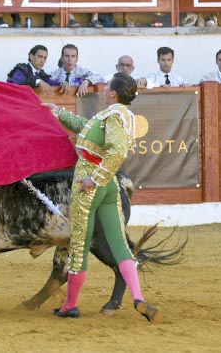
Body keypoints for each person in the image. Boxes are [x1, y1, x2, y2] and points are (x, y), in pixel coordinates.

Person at [43, 73, 162, 322]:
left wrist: (93, 179)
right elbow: (87, 129)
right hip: (108, 187)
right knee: (119, 244)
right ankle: (138, 298)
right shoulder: (118, 115)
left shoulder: (115, 117)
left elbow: (118, 152)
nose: (104, 88)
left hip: (91, 185)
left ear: (112, 93)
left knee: (79, 247)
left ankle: (70, 306)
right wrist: (58, 112)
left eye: (107, 86)